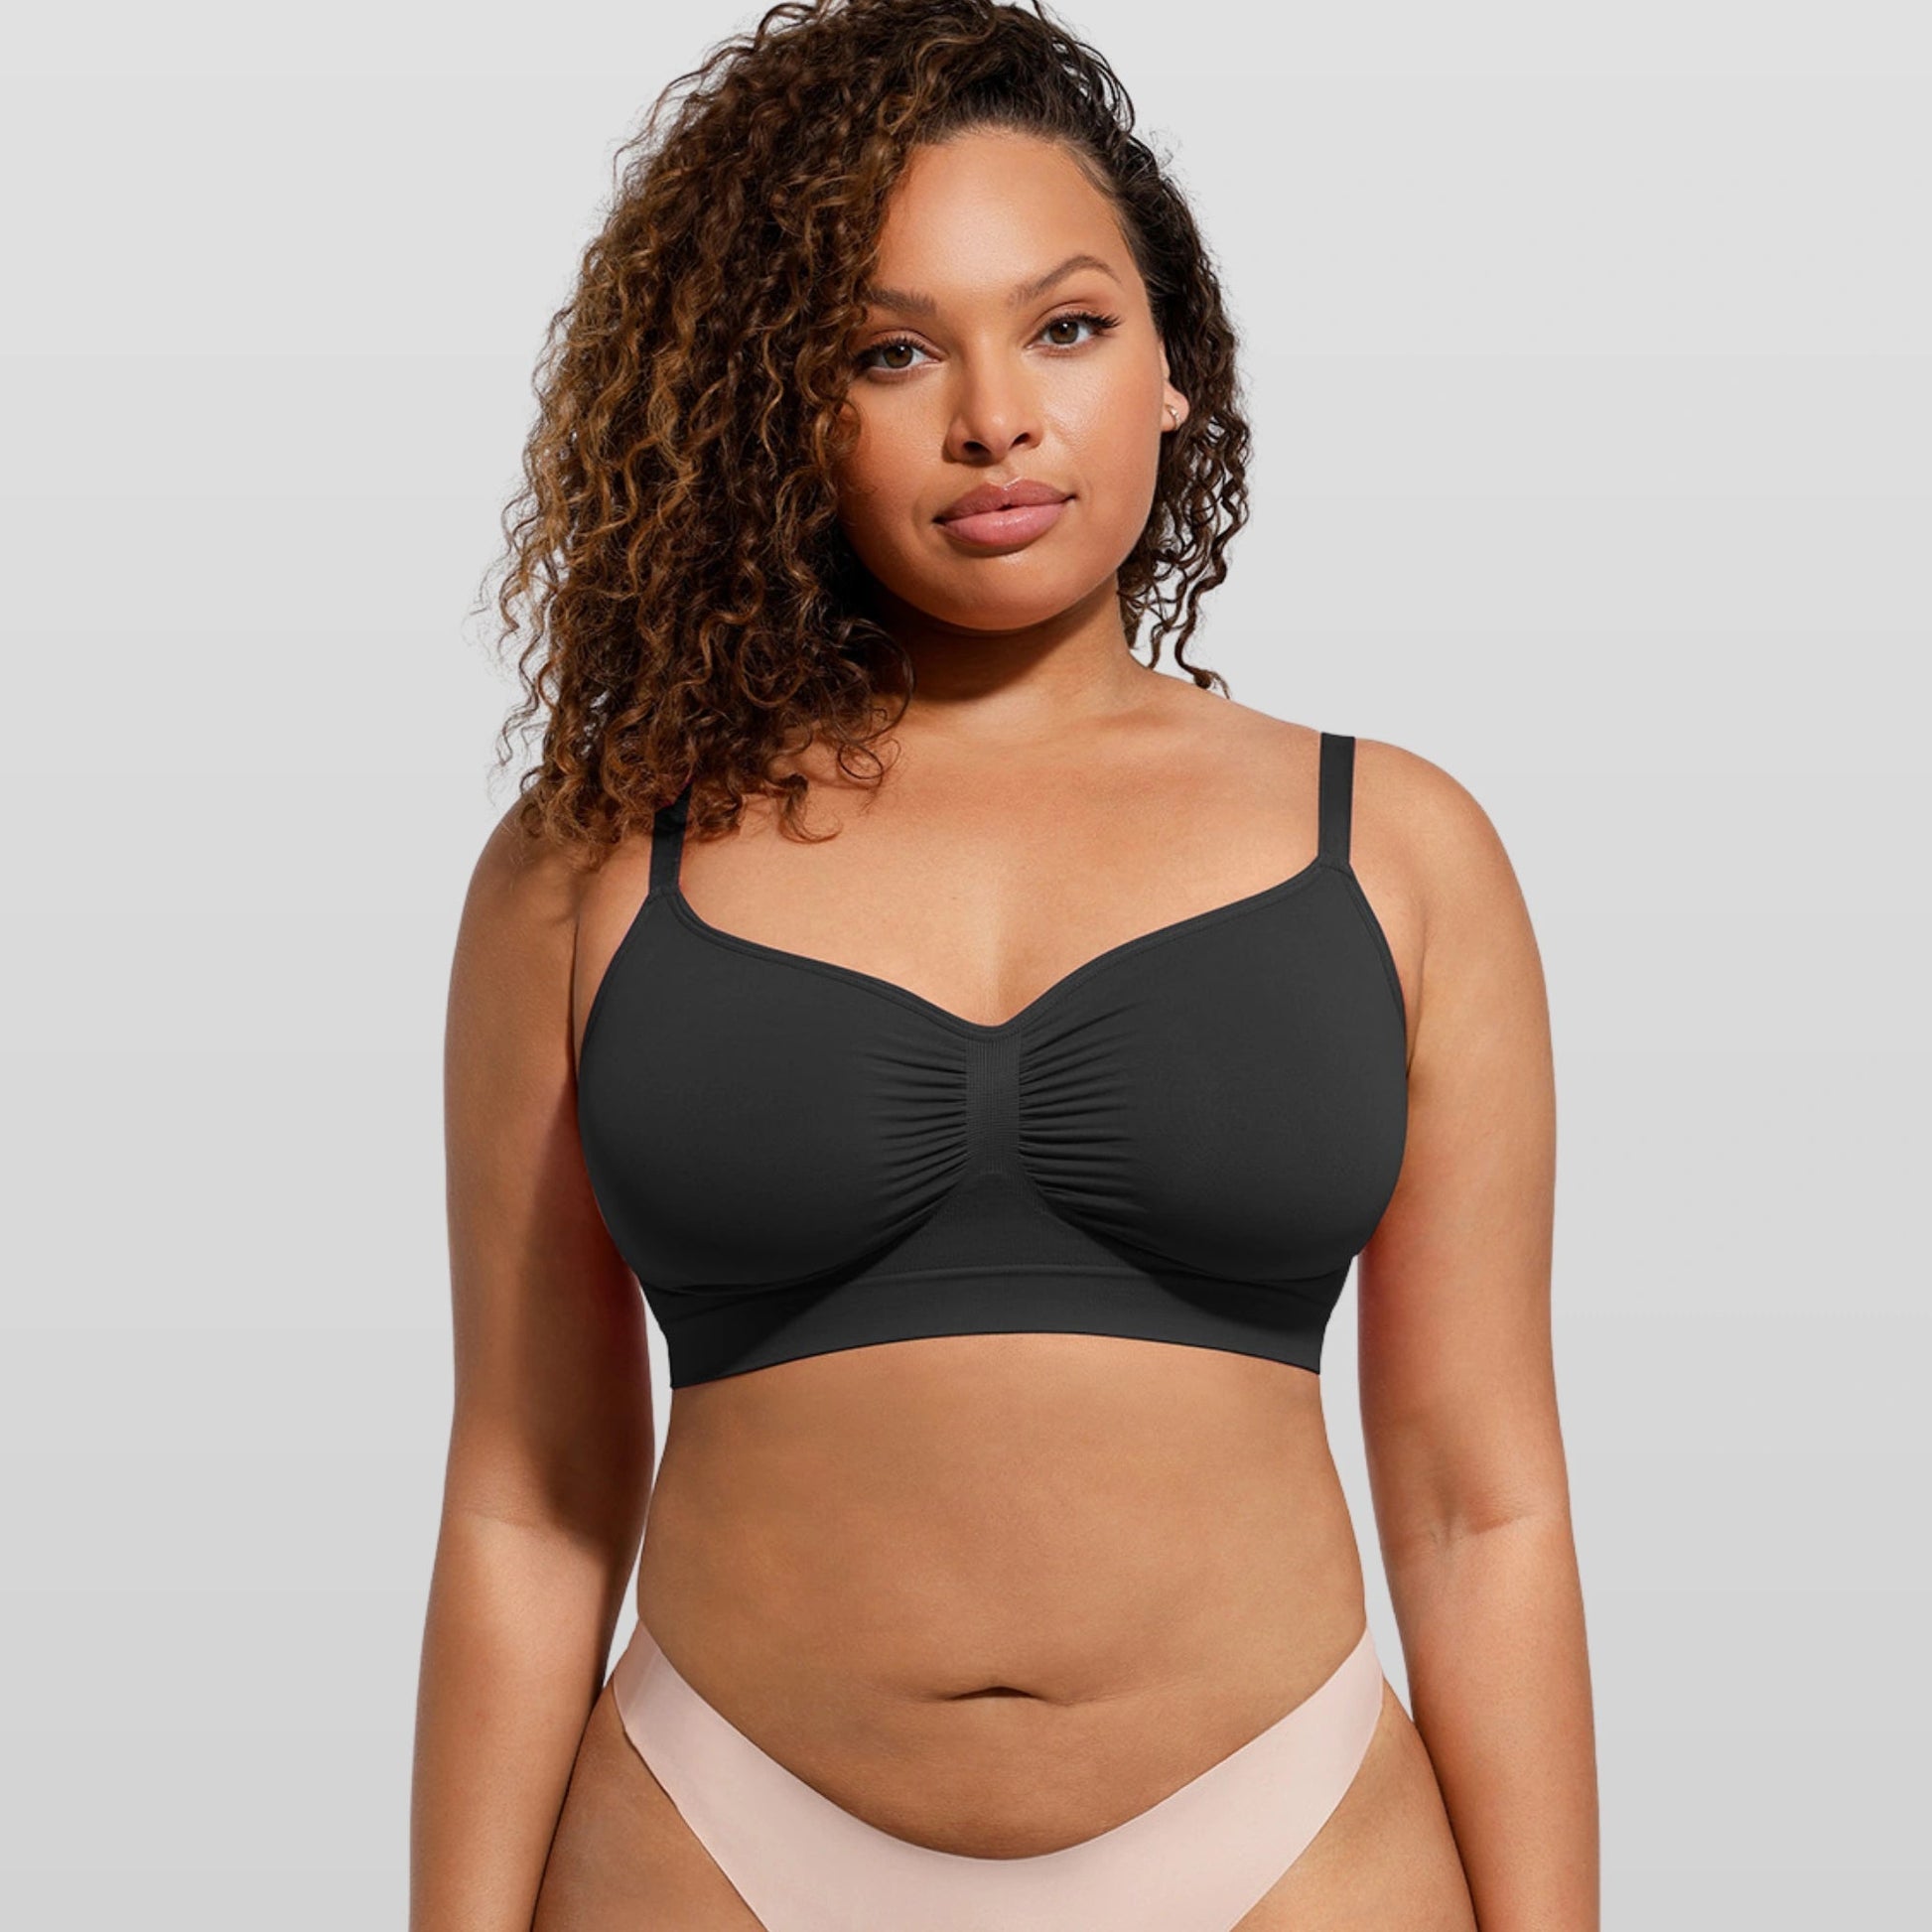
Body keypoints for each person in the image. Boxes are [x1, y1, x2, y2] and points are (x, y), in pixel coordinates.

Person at [411, 2, 1597, 1927]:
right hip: (715, 1835)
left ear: (1174, 367)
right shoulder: (593, 862)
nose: (994, 417)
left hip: (1285, 1837)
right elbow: (526, 1499)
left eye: (1065, 326)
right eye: (889, 350)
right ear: (778, 408)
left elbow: (1484, 1502)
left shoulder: (1393, 849)